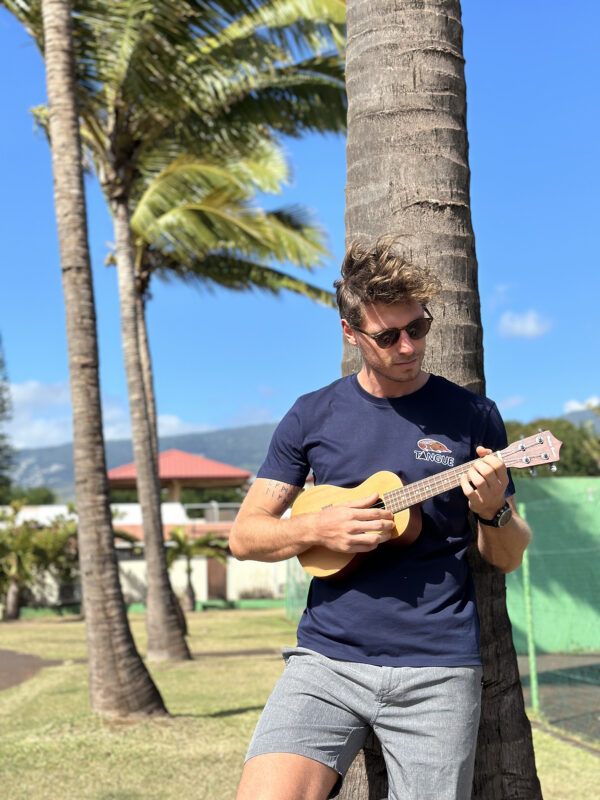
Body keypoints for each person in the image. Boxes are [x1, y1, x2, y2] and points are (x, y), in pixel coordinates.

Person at [230, 237, 532, 800]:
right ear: (350, 334)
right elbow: (245, 536)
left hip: (437, 670)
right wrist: (317, 528)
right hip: (325, 662)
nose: (408, 346)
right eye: (388, 335)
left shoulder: (472, 417)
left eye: (417, 328)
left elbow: (506, 556)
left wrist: (495, 510)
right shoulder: (311, 414)